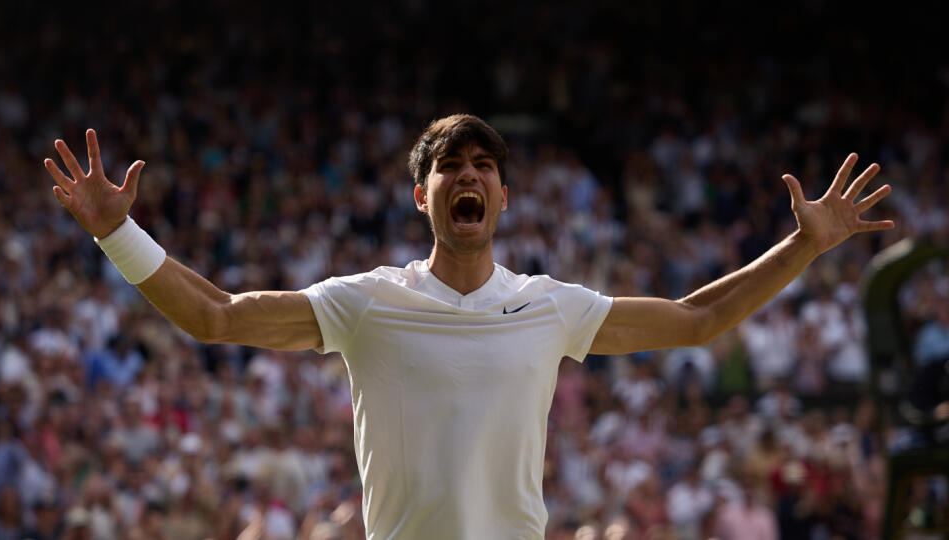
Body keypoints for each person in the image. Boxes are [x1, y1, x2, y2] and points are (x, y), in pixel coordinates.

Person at [45, 114, 894, 539]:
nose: (469, 174)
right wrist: (117, 232)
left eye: (485, 165)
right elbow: (217, 316)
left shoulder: (551, 305)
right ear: (425, 197)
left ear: (502, 197)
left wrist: (805, 245)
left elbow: (701, 318)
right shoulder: (366, 300)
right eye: (451, 164)